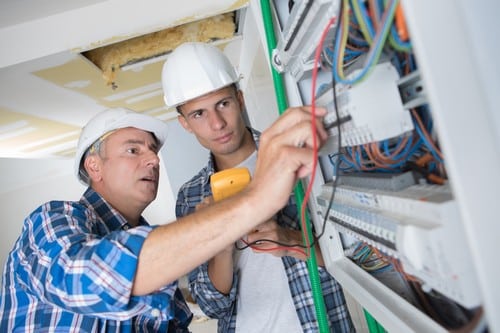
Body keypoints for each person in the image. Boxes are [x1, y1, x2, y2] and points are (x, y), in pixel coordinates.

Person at [0, 105, 328, 332]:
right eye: (133, 150)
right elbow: (91, 276)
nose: (153, 161)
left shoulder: (162, 260)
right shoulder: (53, 220)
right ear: (94, 166)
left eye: (153, 151)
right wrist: (255, 200)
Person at [162, 42, 354, 332]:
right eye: (199, 114)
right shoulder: (191, 197)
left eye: (223, 104)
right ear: (185, 123)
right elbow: (212, 306)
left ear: (239, 100)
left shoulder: (294, 154)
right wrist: (221, 241)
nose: (217, 124)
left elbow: (355, 256)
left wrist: (291, 240)